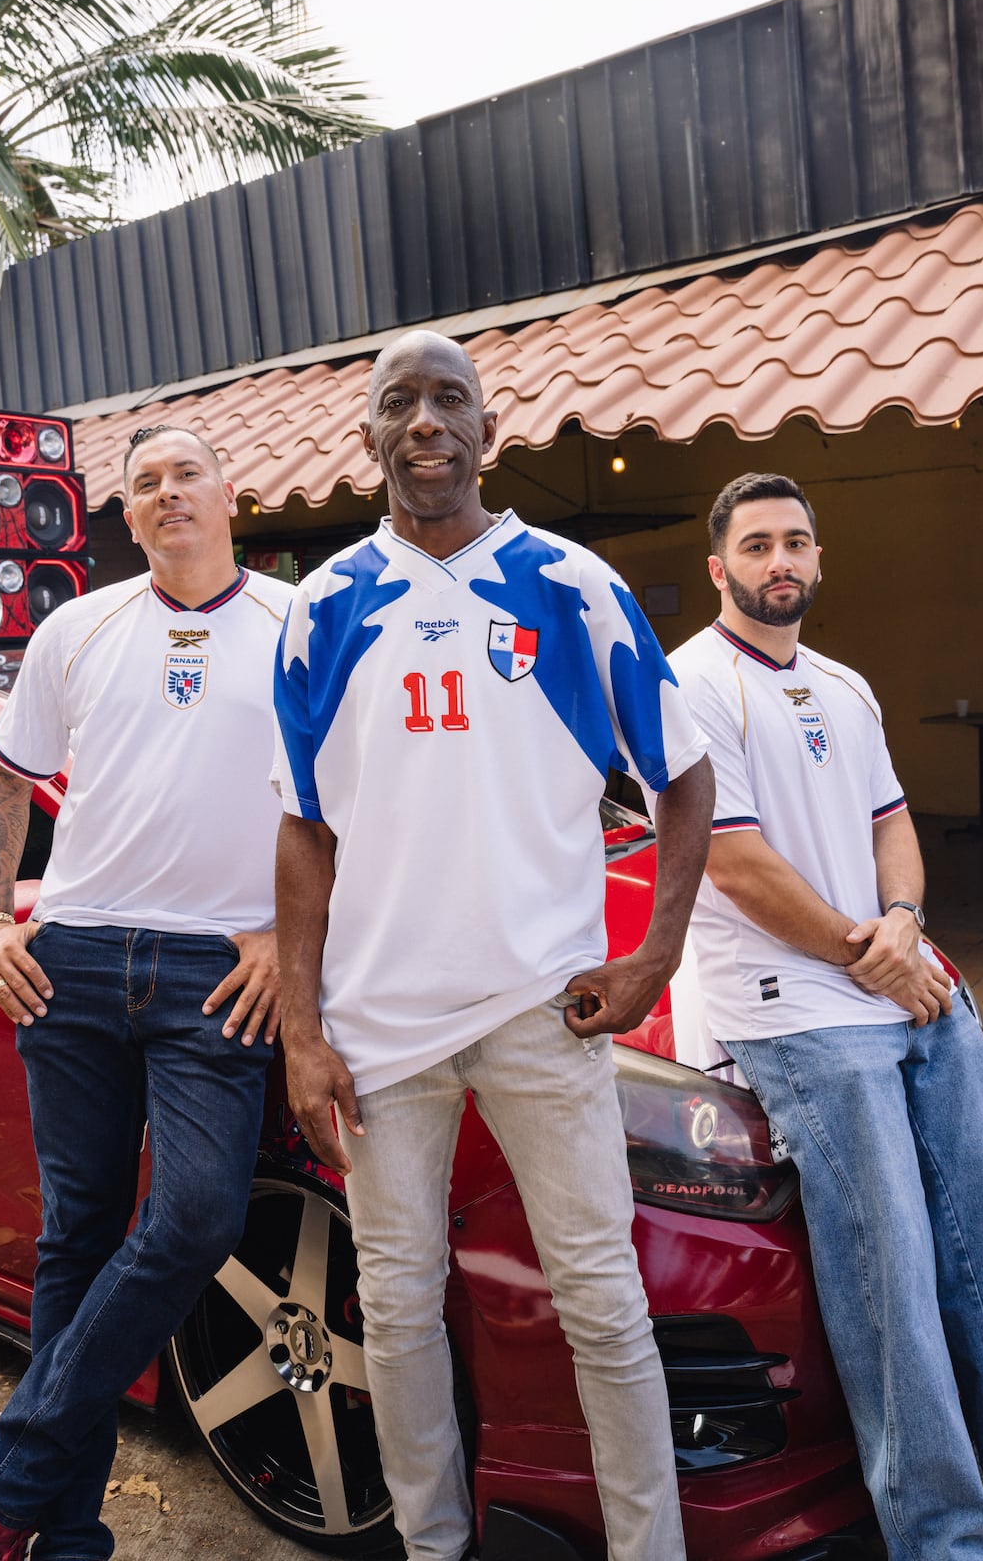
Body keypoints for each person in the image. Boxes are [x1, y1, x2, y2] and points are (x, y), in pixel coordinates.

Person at [271, 329, 715, 1561]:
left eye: (448, 400)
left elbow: (683, 776)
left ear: (488, 431)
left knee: (602, 1302)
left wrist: (655, 957)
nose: (425, 421)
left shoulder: (573, 585)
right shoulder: (322, 609)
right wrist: (304, 1033)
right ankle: (433, 1545)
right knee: (403, 1310)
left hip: (541, 1007)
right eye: (399, 403)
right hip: (380, 1029)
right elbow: (303, 834)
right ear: (367, 436)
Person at [668, 470, 983, 1560]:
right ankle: (942, 1538)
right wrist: (868, 955)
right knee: (887, 1261)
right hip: (789, 1005)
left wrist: (902, 919)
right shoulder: (693, 682)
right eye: (755, 546)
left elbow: (896, 827)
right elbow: (738, 868)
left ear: (818, 559)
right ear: (721, 568)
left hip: (897, 977)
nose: (778, 561)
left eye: (795, 541)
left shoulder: (843, 685)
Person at [0, 426, 293, 1561]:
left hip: (215, 974)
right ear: (126, 519)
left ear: (231, 493)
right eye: (144, 486)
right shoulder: (77, 628)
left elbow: (351, 806)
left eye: (187, 472)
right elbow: (6, 779)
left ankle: (7, 1474)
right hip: (74, 960)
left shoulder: (302, 628)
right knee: (79, 1238)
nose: (168, 494)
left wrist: (293, 935)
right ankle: (54, 1533)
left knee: (196, 1218)